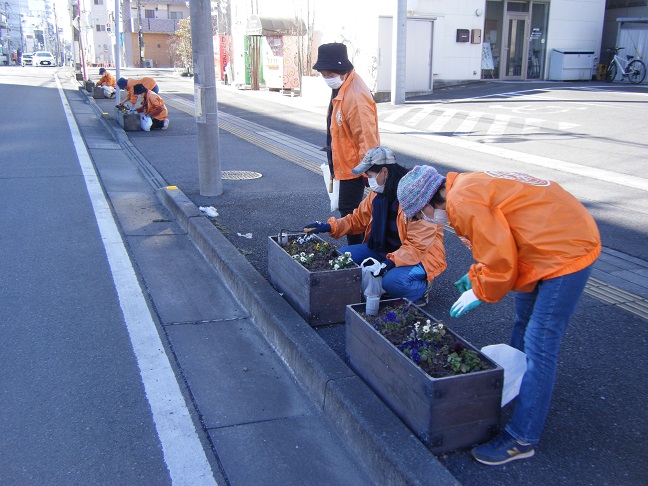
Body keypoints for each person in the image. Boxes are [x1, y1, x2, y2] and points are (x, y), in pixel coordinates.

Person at [397, 166, 601, 466]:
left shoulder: (462, 203)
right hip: (549, 238)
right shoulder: (464, 185)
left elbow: (501, 260)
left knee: (540, 343)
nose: (423, 220)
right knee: (524, 321)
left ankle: (522, 437)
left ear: (428, 202)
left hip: (563, 251)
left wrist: (479, 289)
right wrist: (475, 275)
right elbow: (499, 240)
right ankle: (519, 387)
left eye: (418, 214)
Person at [304, 147, 446, 303]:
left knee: (392, 282)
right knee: (340, 260)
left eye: (369, 175)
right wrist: (329, 226)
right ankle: (385, 281)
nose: (366, 180)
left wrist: (390, 263)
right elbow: (357, 219)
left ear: (384, 172)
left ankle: (423, 287)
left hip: (420, 257)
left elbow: (417, 247)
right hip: (381, 249)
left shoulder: (415, 196)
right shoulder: (377, 193)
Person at [313, 42, 380, 245]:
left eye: (328, 73)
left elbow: (367, 139)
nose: (326, 78)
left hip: (355, 166)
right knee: (351, 210)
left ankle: (358, 256)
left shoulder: (355, 96)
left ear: (341, 70)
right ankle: (358, 253)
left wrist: (371, 172)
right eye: (323, 73)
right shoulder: (343, 85)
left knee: (350, 212)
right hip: (347, 163)